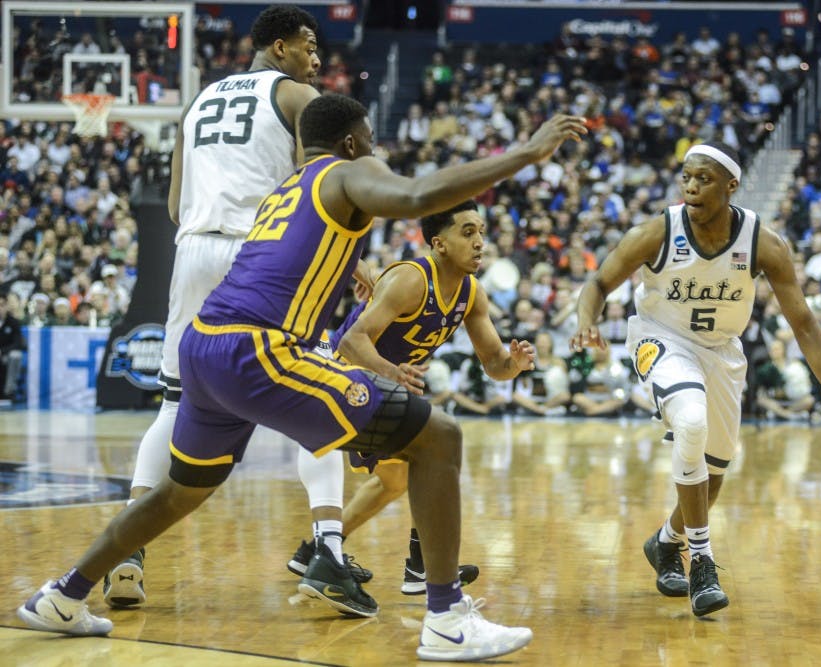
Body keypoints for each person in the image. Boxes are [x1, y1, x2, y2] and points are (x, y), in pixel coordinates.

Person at [18, 93, 586, 662]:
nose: (377, 154)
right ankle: (444, 617)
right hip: (259, 348)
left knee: (179, 492)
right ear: (351, 143)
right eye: (372, 143)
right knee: (440, 438)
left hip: (204, 344)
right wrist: (526, 153)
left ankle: (63, 595)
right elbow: (415, 196)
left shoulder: (290, 185)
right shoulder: (345, 173)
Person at [97, 5, 382, 615]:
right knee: (320, 394)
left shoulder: (197, 102)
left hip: (194, 250)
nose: (315, 58)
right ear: (277, 47)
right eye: (307, 46)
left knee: (174, 404)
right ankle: (328, 550)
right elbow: (328, 181)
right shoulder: (297, 97)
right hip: (263, 257)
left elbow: (175, 203)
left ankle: (126, 551)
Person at [571, 141, 821, 618]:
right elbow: (597, 284)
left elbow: (804, 324)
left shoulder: (764, 243)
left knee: (712, 476)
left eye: (704, 179)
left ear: (731, 186)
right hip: (661, 339)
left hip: (721, 352)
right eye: (687, 178)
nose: (691, 187)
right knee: (691, 421)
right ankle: (702, 561)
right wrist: (585, 321)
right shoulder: (658, 231)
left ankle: (666, 542)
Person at [287, 200, 537, 596]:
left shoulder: (472, 293)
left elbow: (492, 362)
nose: (479, 243)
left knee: (395, 479)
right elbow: (353, 340)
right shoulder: (411, 279)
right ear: (439, 243)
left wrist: (515, 365)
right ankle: (421, 568)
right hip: (344, 380)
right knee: (434, 447)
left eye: (482, 233)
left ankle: (315, 551)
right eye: (467, 232)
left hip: (383, 387)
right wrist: (392, 371)